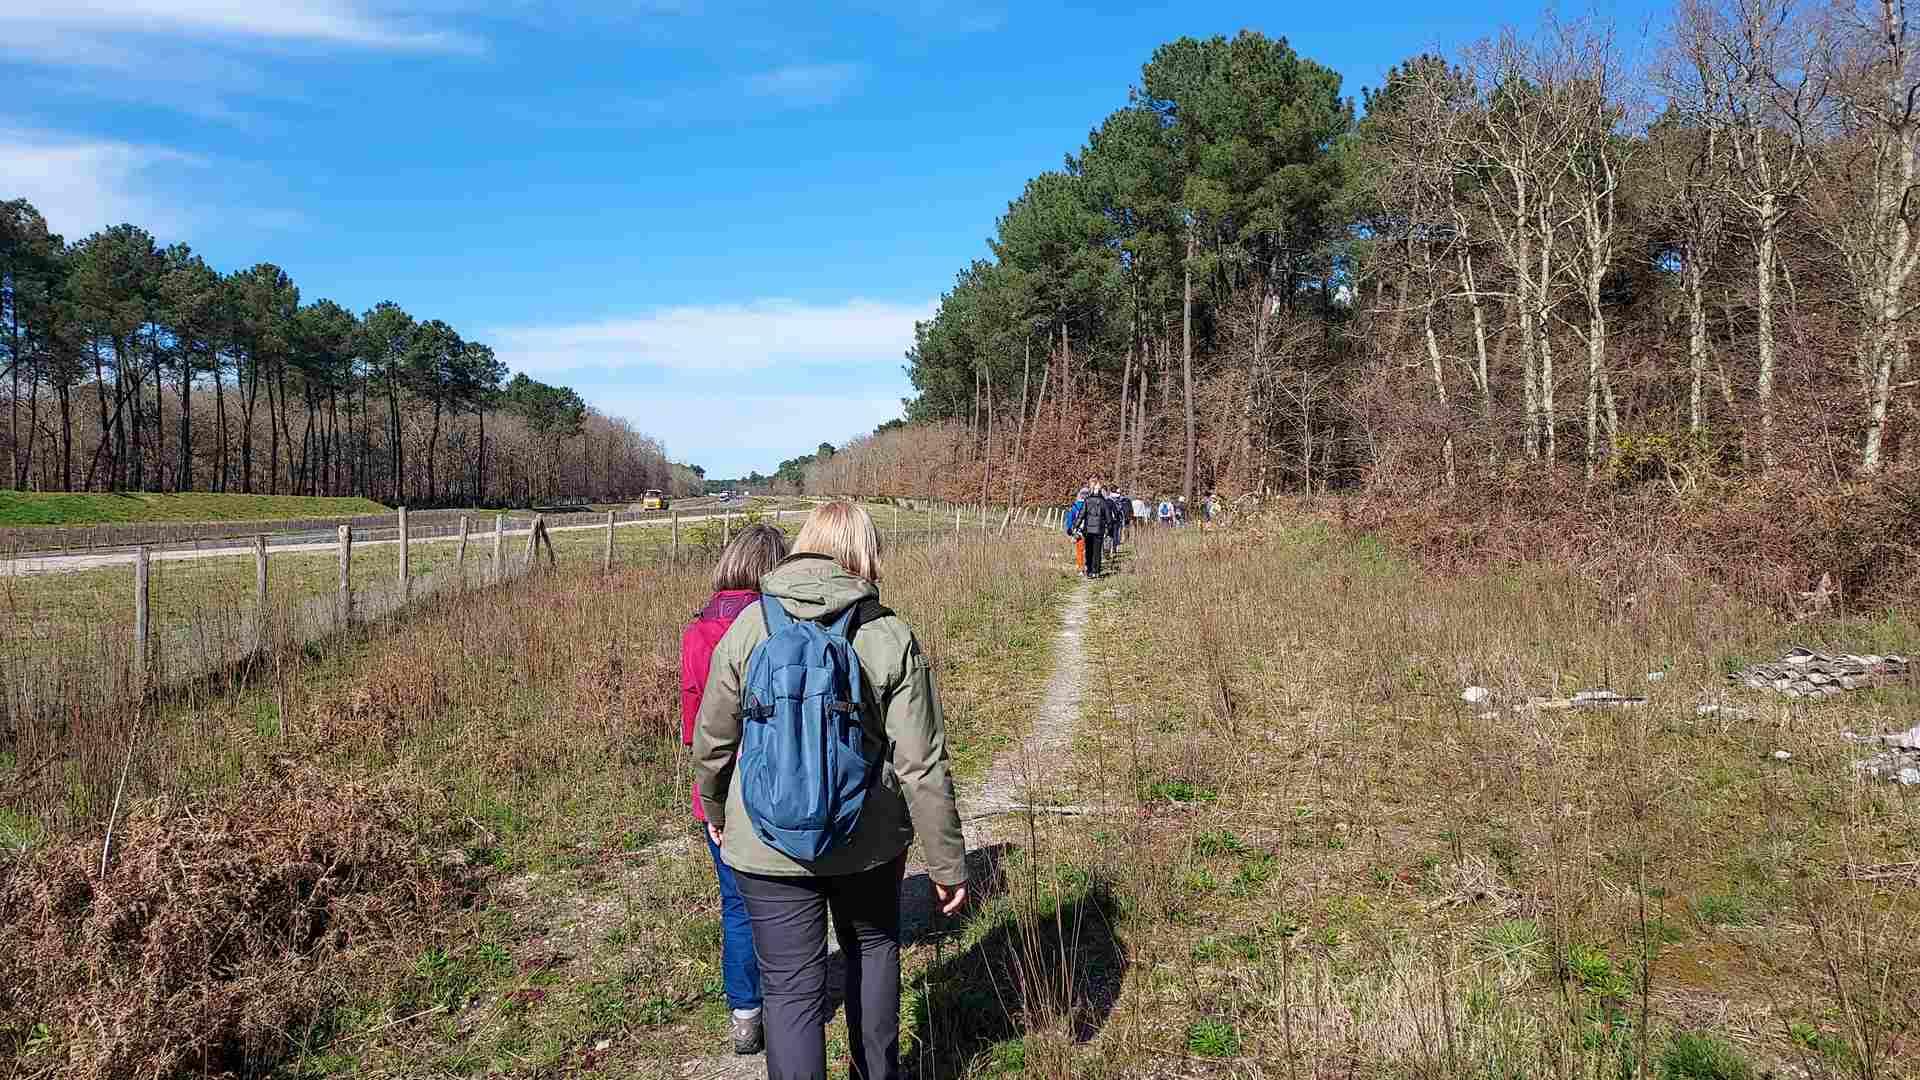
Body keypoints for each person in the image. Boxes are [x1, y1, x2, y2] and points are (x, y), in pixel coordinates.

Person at [693, 501, 968, 1080]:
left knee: (790, 990)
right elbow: (921, 765)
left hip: (765, 842)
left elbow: (713, 738)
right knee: (872, 956)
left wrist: (715, 808)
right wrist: (947, 864)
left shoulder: (750, 625)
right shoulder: (887, 634)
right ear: (865, 554)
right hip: (866, 841)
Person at [681, 524, 791, 1056]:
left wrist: (711, 798)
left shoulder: (698, 630)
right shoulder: (782, 623)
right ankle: (790, 1001)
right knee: (791, 898)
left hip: (721, 786)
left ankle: (746, 1013)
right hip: (781, 783)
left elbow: (693, 729)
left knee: (737, 903)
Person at [1079, 482, 1111, 577]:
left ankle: (1089, 570)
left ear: (1092, 491)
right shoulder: (1103, 502)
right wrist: (1109, 529)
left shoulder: (1087, 501)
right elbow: (1109, 518)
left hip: (1088, 530)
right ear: (1100, 491)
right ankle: (1096, 571)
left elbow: (1081, 515)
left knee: (1089, 550)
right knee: (1097, 551)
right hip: (1099, 531)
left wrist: (1075, 527)